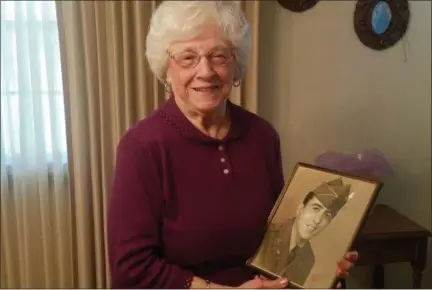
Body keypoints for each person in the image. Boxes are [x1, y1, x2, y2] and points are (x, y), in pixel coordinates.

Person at [106, 1, 358, 289]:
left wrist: (322, 266)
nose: (206, 71)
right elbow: (131, 270)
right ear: (167, 70)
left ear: (235, 66)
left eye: (219, 55)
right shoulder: (141, 147)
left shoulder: (262, 137)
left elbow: (276, 243)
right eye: (187, 57)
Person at [255, 178, 352, 286]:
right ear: (300, 208)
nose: (317, 220)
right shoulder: (268, 235)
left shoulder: (308, 258)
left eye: (327, 215)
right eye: (316, 208)